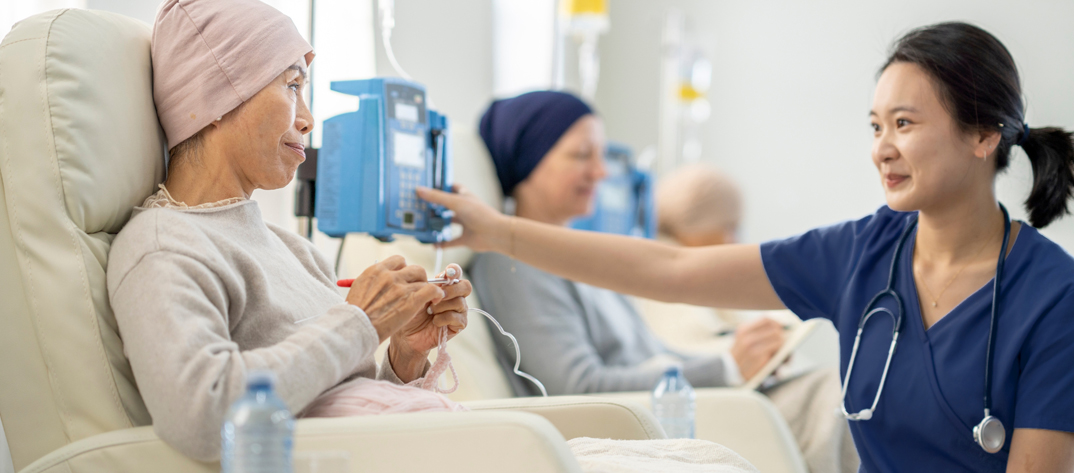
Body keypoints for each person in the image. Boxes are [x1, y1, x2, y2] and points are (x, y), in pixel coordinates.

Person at [419, 22, 1074, 472]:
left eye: (905, 123)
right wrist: (495, 231)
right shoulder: (860, 253)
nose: (882, 147)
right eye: (876, 125)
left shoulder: (1051, 296)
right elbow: (673, 268)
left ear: (983, 133)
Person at [107, 0, 469, 461]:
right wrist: (360, 322)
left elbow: (338, 409)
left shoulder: (294, 250)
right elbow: (199, 417)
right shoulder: (162, 246)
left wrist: (405, 355)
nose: (308, 118)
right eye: (292, 86)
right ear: (214, 96)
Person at [470, 92, 856, 472]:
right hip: (640, 425)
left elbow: (650, 351)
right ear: (529, 160)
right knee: (831, 399)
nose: (600, 172)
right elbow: (577, 386)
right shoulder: (511, 263)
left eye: (600, 156)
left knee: (834, 386)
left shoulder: (583, 257)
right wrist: (724, 369)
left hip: (671, 407)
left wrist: (745, 360)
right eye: (581, 155)